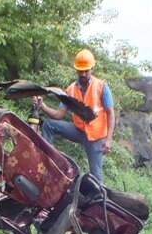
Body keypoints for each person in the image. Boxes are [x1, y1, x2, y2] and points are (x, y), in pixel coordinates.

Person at [34, 48, 115, 183]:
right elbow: (59, 114)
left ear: (92, 68)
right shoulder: (70, 89)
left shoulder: (101, 86)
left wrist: (108, 140)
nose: (83, 74)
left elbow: (111, 114)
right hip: (79, 131)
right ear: (76, 69)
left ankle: (99, 202)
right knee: (48, 125)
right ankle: (47, 162)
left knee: (96, 177)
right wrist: (43, 106)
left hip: (96, 138)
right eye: (80, 70)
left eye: (86, 70)